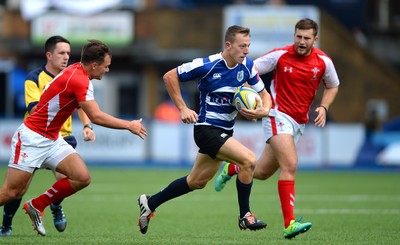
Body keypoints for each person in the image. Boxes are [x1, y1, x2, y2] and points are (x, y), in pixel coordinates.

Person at [0, 39, 147, 236]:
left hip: (52, 138)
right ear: (94, 65)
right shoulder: (79, 79)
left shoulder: (77, 70)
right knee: (12, 192)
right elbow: (97, 115)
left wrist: (86, 126)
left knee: (81, 177)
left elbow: (82, 108)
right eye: (106, 66)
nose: (107, 70)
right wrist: (129, 125)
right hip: (32, 138)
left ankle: (37, 205)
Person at [137, 25, 271, 235]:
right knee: (249, 160)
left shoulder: (247, 65)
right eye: (242, 46)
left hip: (225, 131)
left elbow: (265, 95)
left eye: (248, 46)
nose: (246, 50)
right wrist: (182, 108)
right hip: (207, 129)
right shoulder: (209, 64)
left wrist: (263, 111)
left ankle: (150, 203)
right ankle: (245, 216)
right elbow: (169, 76)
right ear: (228, 45)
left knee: (196, 181)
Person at [214, 18, 340, 239]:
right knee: (290, 164)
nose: (302, 41)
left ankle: (232, 168)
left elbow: (333, 85)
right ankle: (290, 224)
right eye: (298, 36)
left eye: (306, 38)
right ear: (294, 35)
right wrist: (245, 94)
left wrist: (324, 107)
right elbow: (250, 69)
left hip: (299, 122)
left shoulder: (323, 62)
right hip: (277, 115)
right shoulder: (280, 55)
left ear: (315, 39)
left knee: (261, 172)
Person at [0, 35, 97, 237]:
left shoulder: (72, 76)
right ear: (49, 55)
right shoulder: (34, 78)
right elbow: (36, 108)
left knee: (72, 179)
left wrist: (87, 125)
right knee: (17, 190)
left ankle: (50, 205)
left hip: (62, 137)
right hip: (36, 138)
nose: (66, 57)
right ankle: (7, 223)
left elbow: (83, 105)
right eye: (61, 53)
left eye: (69, 54)